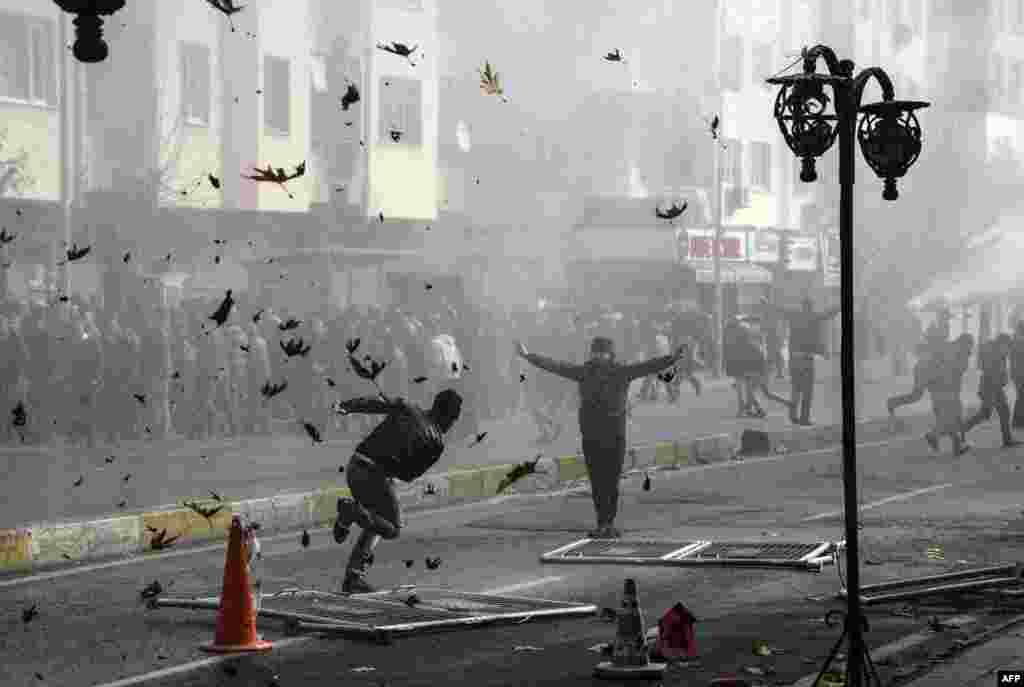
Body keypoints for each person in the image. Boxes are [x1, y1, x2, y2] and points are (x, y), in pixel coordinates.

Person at [516, 336, 685, 539]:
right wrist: (528, 356)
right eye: (596, 352)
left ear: (609, 355)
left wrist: (672, 358)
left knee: (608, 481)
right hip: (597, 435)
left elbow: (648, 366)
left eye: (601, 353)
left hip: (610, 435)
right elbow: (555, 366)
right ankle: (603, 524)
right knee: (600, 482)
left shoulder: (613, 372)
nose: (598, 356)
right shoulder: (590, 372)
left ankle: (607, 524)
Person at [332, 389, 463, 594]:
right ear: (449, 417)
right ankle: (352, 513)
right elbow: (408, 475)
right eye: (453, 420)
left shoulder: (409, 407)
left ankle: (353, 575)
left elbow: (376, 403)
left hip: (354, 465)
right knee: (393, 527)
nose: (451, 425)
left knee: (376, 519)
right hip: (375, 476)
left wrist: (348, 405)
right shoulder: (436, 442)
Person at [761, 296, 840, 425]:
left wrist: (767, 303)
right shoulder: (814, 316)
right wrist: (839, 306)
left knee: (796, 388)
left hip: (794, 359)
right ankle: (804, 418)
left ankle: (793, 415)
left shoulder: (794, 315)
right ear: (811, 306)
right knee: (807, 390)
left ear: (802, 306)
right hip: (806, 358)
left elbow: (778, 310)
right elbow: (828, 314)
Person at [963, 333, 1021, 449]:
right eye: (1007, 347)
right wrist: (1002, 379)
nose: (1008, 350)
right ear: (1001, 344)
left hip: (995, 388)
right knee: (984, 414)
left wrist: (1003, 379)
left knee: (1003, 412)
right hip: (990, 388)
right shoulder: (993, 354)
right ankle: (961, 429)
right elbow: (993, 372)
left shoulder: (998, 353)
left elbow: (1000, 372)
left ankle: (1007, 439)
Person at [887, 321, 949, 419]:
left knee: (926, 394)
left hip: (926, 369)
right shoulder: (929, 344)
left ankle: (941, 416)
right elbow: (920, 352)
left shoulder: (933, 344)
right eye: (933, 334)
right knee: (917, 396)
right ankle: (892, 402)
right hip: (923, 370)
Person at [924, 334, 974, 456]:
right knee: (951, 417)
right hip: (948, 389)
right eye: (970, 345)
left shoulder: (947, 348)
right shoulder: (959, 353)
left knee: (953, 417)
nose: (970, 348)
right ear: (965, 343)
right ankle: (934, 435)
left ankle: (957, 445)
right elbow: (957, 370)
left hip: (938, 388)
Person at [1011, 321, 1024, 428]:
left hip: (1017, 374)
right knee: (1021, 396)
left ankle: (1018, 421)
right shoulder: (1018, 342)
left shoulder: (1016, 341)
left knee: (1021, 396)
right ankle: (1018, 421)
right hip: (1019, 374)